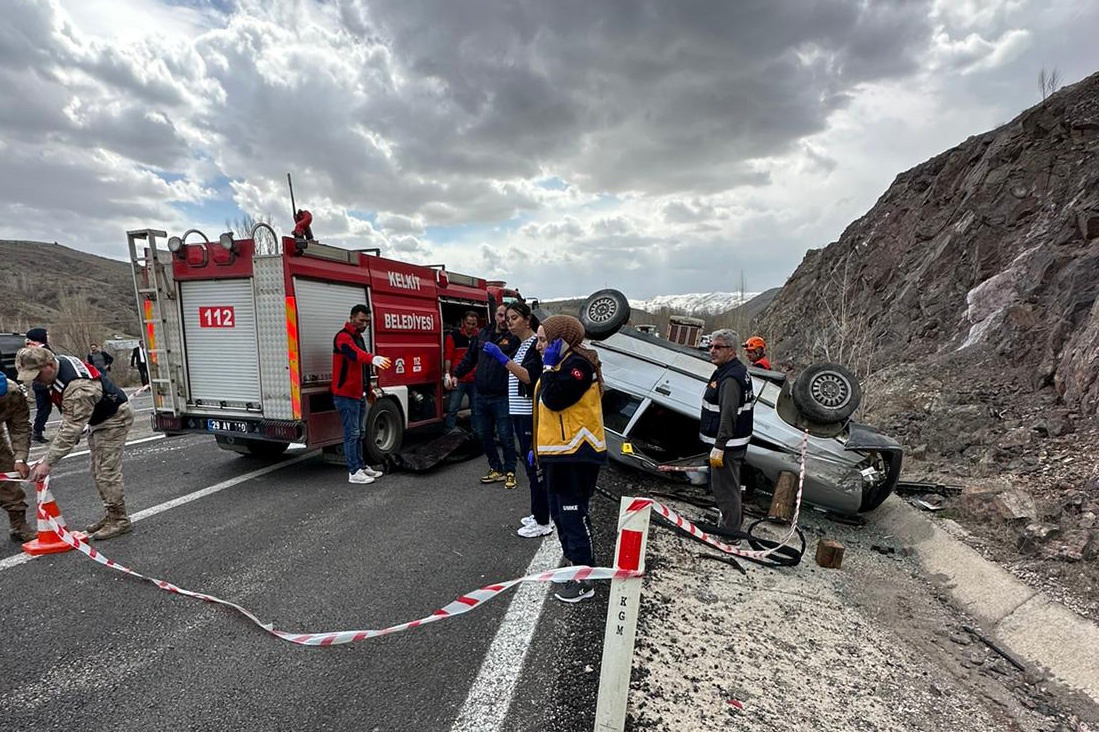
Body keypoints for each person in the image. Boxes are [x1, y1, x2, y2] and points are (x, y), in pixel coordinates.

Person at [18, 346, 136, 540]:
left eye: (37, 374)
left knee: (106, 471)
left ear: (49, 365)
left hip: (113, 419)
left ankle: (120, 520)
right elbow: (71, 421)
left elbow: (71, 428)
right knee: (96, 469)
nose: (35, 380)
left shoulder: (78, 388)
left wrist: (47, 462)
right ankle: (111, 514)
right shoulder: (57, 365)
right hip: (97, 419)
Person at [532, 315, 607, 604]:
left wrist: (548, 367)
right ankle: (572, 563)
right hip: (557, 454)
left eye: (543, 339)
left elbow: (554, 399)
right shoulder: (562, 364)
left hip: (576, 454)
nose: (540, 346)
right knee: (559, 513)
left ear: (561, 340)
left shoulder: (578, 366)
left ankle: (585, 578)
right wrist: (536, 448)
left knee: (574, 515)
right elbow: (545, 413)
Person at [483, 301, 549, 537]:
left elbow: (529, 377)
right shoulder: (521, 346)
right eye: (507, 319)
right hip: (519, 412)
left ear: (527, 320)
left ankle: (543, 521)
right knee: (530, 465)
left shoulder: (533, 346)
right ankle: (539, 512)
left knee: (534, 467)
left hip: (529, 413)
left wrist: (502, 358)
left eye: (514, 318)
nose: (509, 323)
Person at [453, 304, 519, 487]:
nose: (504, 319)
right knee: (483, 434)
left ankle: (510, 471)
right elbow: (469, 358)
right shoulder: (482, 335)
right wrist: (456, 374)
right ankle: (496, 468)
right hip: (481, 395)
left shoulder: (514, 339)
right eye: (500, 315)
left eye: (508, 316)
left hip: (502, 396)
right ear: (494, 316)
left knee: (506, 436)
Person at [701, 329, 755, 534]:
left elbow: (728, 415)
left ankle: (730, 533)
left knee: (725, 489)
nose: (712, 351)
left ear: (731, 351)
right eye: (711, 346)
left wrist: (719, 445)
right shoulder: (732, 370)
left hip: (727, 446)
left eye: (718, 347)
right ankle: (730, 522)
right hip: (732, 444)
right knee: (729, 486)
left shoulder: (731, 378)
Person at [332, 304, 391, 484]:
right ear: (352, 318)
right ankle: (354, 471)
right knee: (352, 433)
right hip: (346, 395)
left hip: (358, 394)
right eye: (361, 320)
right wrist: (373, 358)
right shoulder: (343, 337)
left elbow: (362, 367)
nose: (364, 324)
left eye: (367, 321)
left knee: (361, 432)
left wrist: (369, 389)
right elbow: (354, 355)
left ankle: (361, 465)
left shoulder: (358, 338)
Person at [0, 373, 35, 542]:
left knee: (7, 475)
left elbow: (20, 426)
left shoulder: (12, 393)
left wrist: (20, 458)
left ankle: (18, 524)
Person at [442, 311, 480, 431]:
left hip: (474, 378)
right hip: (459, 378)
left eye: (473, 324)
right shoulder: (453, 336)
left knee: (476, 409)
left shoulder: (479, 336)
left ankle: (477, 433)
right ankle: (449, 432)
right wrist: (447, 373)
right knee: (453, 408)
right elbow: (448, 356)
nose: (470, 326)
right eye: (468, 323)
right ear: (464, 322)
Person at [25, 327, 52, 443]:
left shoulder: (32, 349)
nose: (49, 336)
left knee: (44, 408)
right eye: (47, 334)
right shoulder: (43, 350)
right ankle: (37, 431)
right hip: (45, 384)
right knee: (45, 408)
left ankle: (37, 430)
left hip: (39, 384)